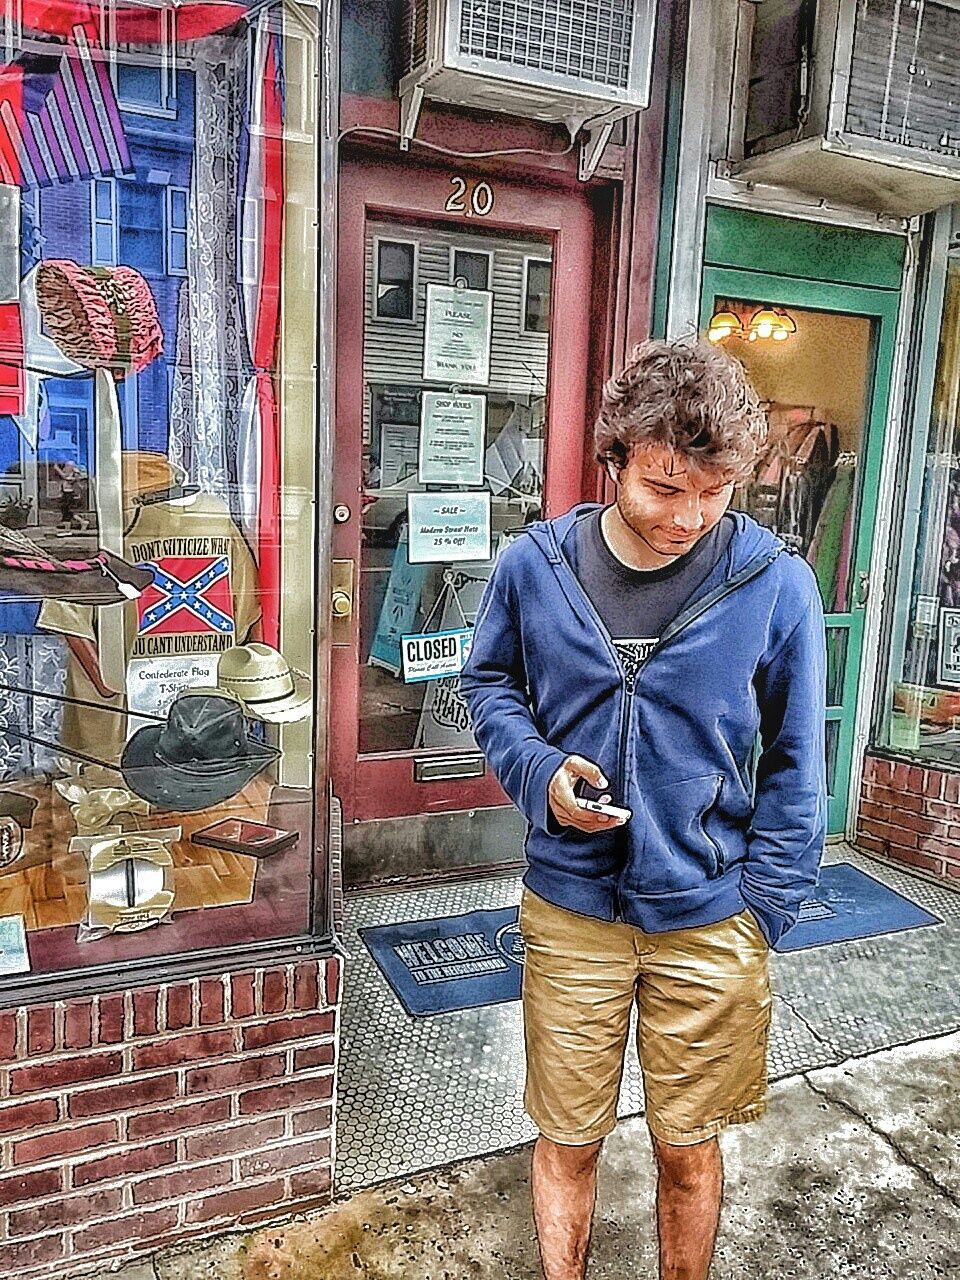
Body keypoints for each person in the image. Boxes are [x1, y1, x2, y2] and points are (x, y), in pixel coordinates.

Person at [459, 339, 827, 1280]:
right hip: (572, 912)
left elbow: (796, 757)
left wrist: (765, 908)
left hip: (711, 918)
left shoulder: (774, 581)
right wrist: (537, 773)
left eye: (715, 492)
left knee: (688, 1150)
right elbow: (489, 683)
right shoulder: (532, 567)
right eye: (665, 487)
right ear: (613, 457)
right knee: (568, 1140)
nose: (689, 517)